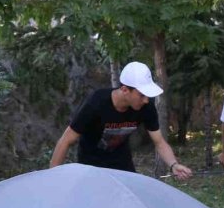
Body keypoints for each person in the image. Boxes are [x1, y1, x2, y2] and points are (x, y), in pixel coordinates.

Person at [49, 61, 192, 180]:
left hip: (122, 165)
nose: (146, 100)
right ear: (125, 90)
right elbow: (66, 140)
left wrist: (173, 165)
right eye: (142, 95)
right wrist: (52, 179)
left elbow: (159, 142)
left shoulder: (145, 106)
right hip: (91, 166)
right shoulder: (97, 102)